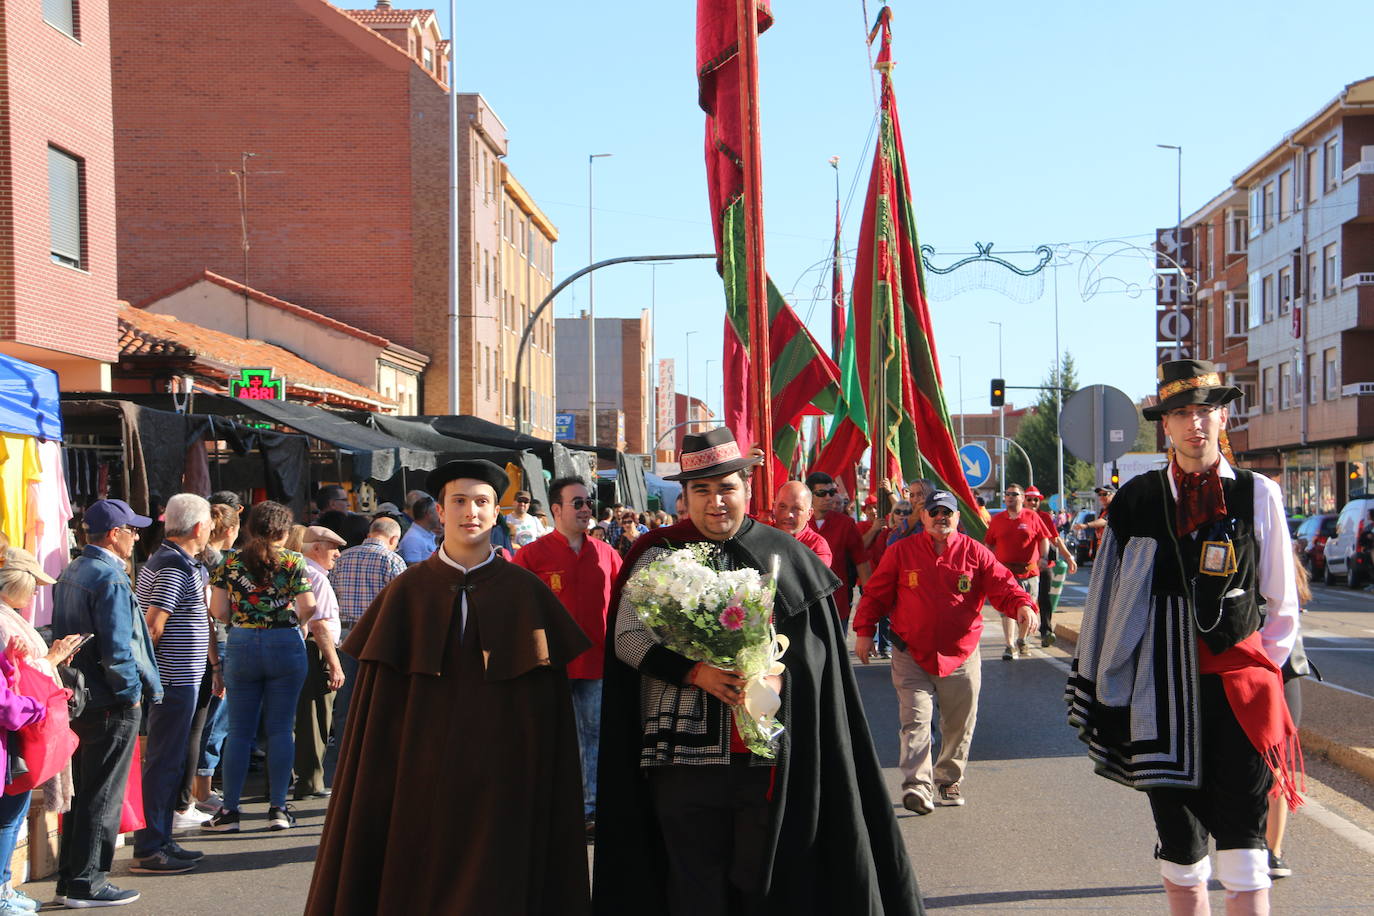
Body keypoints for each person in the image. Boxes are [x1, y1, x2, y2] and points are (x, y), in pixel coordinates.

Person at [596, 428, 924, 916]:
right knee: (693, 882)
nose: (715, 502)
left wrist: (778, 677)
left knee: (764, 883)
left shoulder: (788, 558)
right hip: (680, 758)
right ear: (685, 497)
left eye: (726, 487)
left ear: (748, 489)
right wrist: (694, 672)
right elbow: (627, 640)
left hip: (767, 760)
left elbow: (818, 665)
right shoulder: (656, 553)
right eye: (701, 491)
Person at [306, 460, 591, 915]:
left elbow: (544, 714)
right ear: (440, 510)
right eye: (459, 501)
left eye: (481, 503)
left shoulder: (525, 593)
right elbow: (378, 714)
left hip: (502, 779)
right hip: (416, 777)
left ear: (496, 513)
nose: (470, 512)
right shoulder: (407, 591)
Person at [1067, 360, 1299, 916]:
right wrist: (1105, 683)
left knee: (1246, 843)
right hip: (1158, 693)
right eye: (1181, 414)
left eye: (1204, 412)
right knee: (1179, 843)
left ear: (1222, 417)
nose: (1195, 425)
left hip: (1238, 692)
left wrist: (1257, 666)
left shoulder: (1257, 492)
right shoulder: (1136, 500)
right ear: (1164, 426)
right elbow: (1105, 598)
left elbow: (1281, 602)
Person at [854, 490, 1038, 815]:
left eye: (947, 512)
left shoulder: (975, 553)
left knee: (959, 724)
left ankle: (948, 778)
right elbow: (875, 594)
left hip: (961, 655)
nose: (941, 517)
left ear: (956, 518)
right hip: (911, 654)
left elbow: (1003, 584)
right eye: (934, 511)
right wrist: (865, 632)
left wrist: (1023, 605)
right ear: (923, 517)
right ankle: (916, 786)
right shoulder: (900, 552)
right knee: (915, 720)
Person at [205, 502, 343, 833]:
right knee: (282, 728)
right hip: (285, 642)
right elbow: (309, 606)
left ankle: (230, 811)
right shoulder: (294, 561)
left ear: (251, 528)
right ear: (283, 531)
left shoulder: (232, 561)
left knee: (240, 730)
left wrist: (243, 619)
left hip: (242, 642)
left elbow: (217, 609)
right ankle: (278, 808)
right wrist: (292, 621)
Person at [52, 499, 162, 908]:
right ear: (114, 534)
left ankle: (73, 878)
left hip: (81, 695)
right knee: (102, 793)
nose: (136, 536)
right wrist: (132, 695)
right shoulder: (108, 577)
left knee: (84, 790)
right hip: (107, 698)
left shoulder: (75, 570)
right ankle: (87, 882)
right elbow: (119, 650)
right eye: (132, 530)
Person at [513, 476, 623, 837]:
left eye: (587, 502)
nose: (585, 509)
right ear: (556, 509)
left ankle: (589, 808)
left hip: (596, 663)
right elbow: (517, 612)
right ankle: (550, 805)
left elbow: (627, 606)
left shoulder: (607, 554)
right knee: (550, 737)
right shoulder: (531, 555)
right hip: (550, 666)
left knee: (594, 736)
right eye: (576, 503)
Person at [131, 493, 217, 875]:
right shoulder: (173, 566)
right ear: (199, 527)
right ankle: (151, 847)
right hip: (173, 680)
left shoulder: (177, 561)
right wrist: (152, 679)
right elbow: (152, 626)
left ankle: (161, 839)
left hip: (181, 679)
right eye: (210, 523)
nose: (212, 529)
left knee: (170, 760)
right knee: (164, 762)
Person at [0, 548, 83, 914]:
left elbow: (11, 677)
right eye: (33, 584)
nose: (37, 592)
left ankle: (4, 887)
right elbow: (7, 699)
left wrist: (34, 662)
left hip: (15, 734)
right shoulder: (4, 621)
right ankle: (2, 892)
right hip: (14, 732)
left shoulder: (9, 619)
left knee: (12, 814)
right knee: (8, 816)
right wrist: (48, 663)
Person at [323, 516, 405, 788]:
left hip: (345, 638)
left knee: (345, 706)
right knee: (380, 702)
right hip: (378, 637)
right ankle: (375, 765)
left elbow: (330, 596)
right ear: (393, 539)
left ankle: (345, 766)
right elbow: (401, 604)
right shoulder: (393, 561)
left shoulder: (342, 558)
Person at [1267, 547, 1315, 881]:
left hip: (1283, 672)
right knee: (1263, 765)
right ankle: (1257, 845)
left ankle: (1273, 851)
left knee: (1279, 765)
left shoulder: (1287, 565)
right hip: (1252, 669)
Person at [188, 504, 239, 812]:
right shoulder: (220, 564)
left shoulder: (201, 559)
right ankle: (202, 790)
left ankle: (198, 788)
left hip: (207, 646)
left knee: (204, 719)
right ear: (230, 530)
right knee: (215, 719)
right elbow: (216, 613)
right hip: (218, 644)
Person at [294, 526, 347, 800]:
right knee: (316, 717)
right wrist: (334, 664)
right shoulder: (315, 576)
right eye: (332, 547)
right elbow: (320, 625)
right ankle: (311, 780)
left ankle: (299, 779)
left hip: (304, 648)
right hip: (315, 650)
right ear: (316, 547)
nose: (338, 553)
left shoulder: (301, 570)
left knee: (302, 717)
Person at [984, 484, 1055, 660]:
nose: (1010, 497)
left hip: (1029, 572)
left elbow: (1043, 539)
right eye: (1007, 494)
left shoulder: (1032, 516)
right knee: (1007, 610)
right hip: (1005, 573)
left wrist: (1044, 557)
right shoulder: (997, 520)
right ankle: (1009, 645)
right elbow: (989, 544)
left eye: (1014, 494)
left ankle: (1021, 639)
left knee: (1028, 607)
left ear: (1022, 498)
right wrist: (989, 563)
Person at [804, 471, 871, 631]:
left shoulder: (846, 524)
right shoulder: (797, 522)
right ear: (809, 495)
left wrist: (869, 597)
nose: (829, 497)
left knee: (836, 655)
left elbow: (861, 560)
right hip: (803, 604)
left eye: (832, 492)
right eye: (822, 493)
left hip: (837, 605)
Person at [1022, 486, 1078, 647]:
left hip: (1045, 565)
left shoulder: (1044, 517)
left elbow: (1056, 539)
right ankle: (1023, 635)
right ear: (1024, 500)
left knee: (1045, 598)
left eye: (1036, 500)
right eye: (1029, 499)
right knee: (1026, 601)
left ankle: (1046, 631)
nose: (1033, 502)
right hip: (1025, 567)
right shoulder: (1019, 517)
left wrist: (1068, 557)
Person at [767, 480, 832, 566]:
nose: (788, 514)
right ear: (774, 508)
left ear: (809, 514)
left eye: (797, 508)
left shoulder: (817, 546)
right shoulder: (761, 533)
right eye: (782, 506)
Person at [395, 495, 441, 564]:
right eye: (437, 511)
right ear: (428, 514)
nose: (440, 515)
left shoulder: (427, 535)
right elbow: (414, 571)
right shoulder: (413, 539)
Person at [1074, 485, 1115, 561]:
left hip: (1112, 550)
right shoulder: (1104, 510)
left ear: (1113, 495)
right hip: (1104, 550)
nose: (1101, 497)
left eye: (1105, 494)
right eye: (1100, 494)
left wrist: (1086, 525)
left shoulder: (1114, 508)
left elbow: (1104, 521)